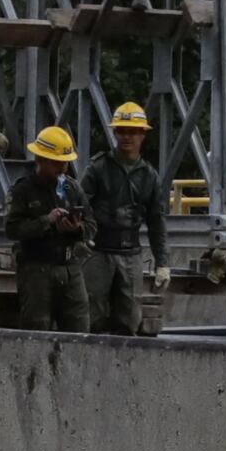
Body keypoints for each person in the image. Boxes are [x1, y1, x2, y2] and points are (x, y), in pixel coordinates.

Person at [82, 99, 170, 334]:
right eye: (121, 131)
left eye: (132, 132)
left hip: (130, 253)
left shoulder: (149, 176)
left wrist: (162, 262)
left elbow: (156, 221)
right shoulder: (98, 168)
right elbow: (79, 206)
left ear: (142, 135)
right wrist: (82, 238)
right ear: (115, 133)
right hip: (98, 251)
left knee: (129, 319)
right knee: (91, 315)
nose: (126, 137)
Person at [2, 125, 95, 328]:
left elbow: (91, 224)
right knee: (37, 327)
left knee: (79, 327)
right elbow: (12, 229)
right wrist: (46, 221)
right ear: (40, 159)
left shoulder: (72, 188)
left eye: (65, 163)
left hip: (70, 268)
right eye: (56, 163)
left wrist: (76, 229)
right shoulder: (23, 190)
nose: (62, 168)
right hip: (36, 269)